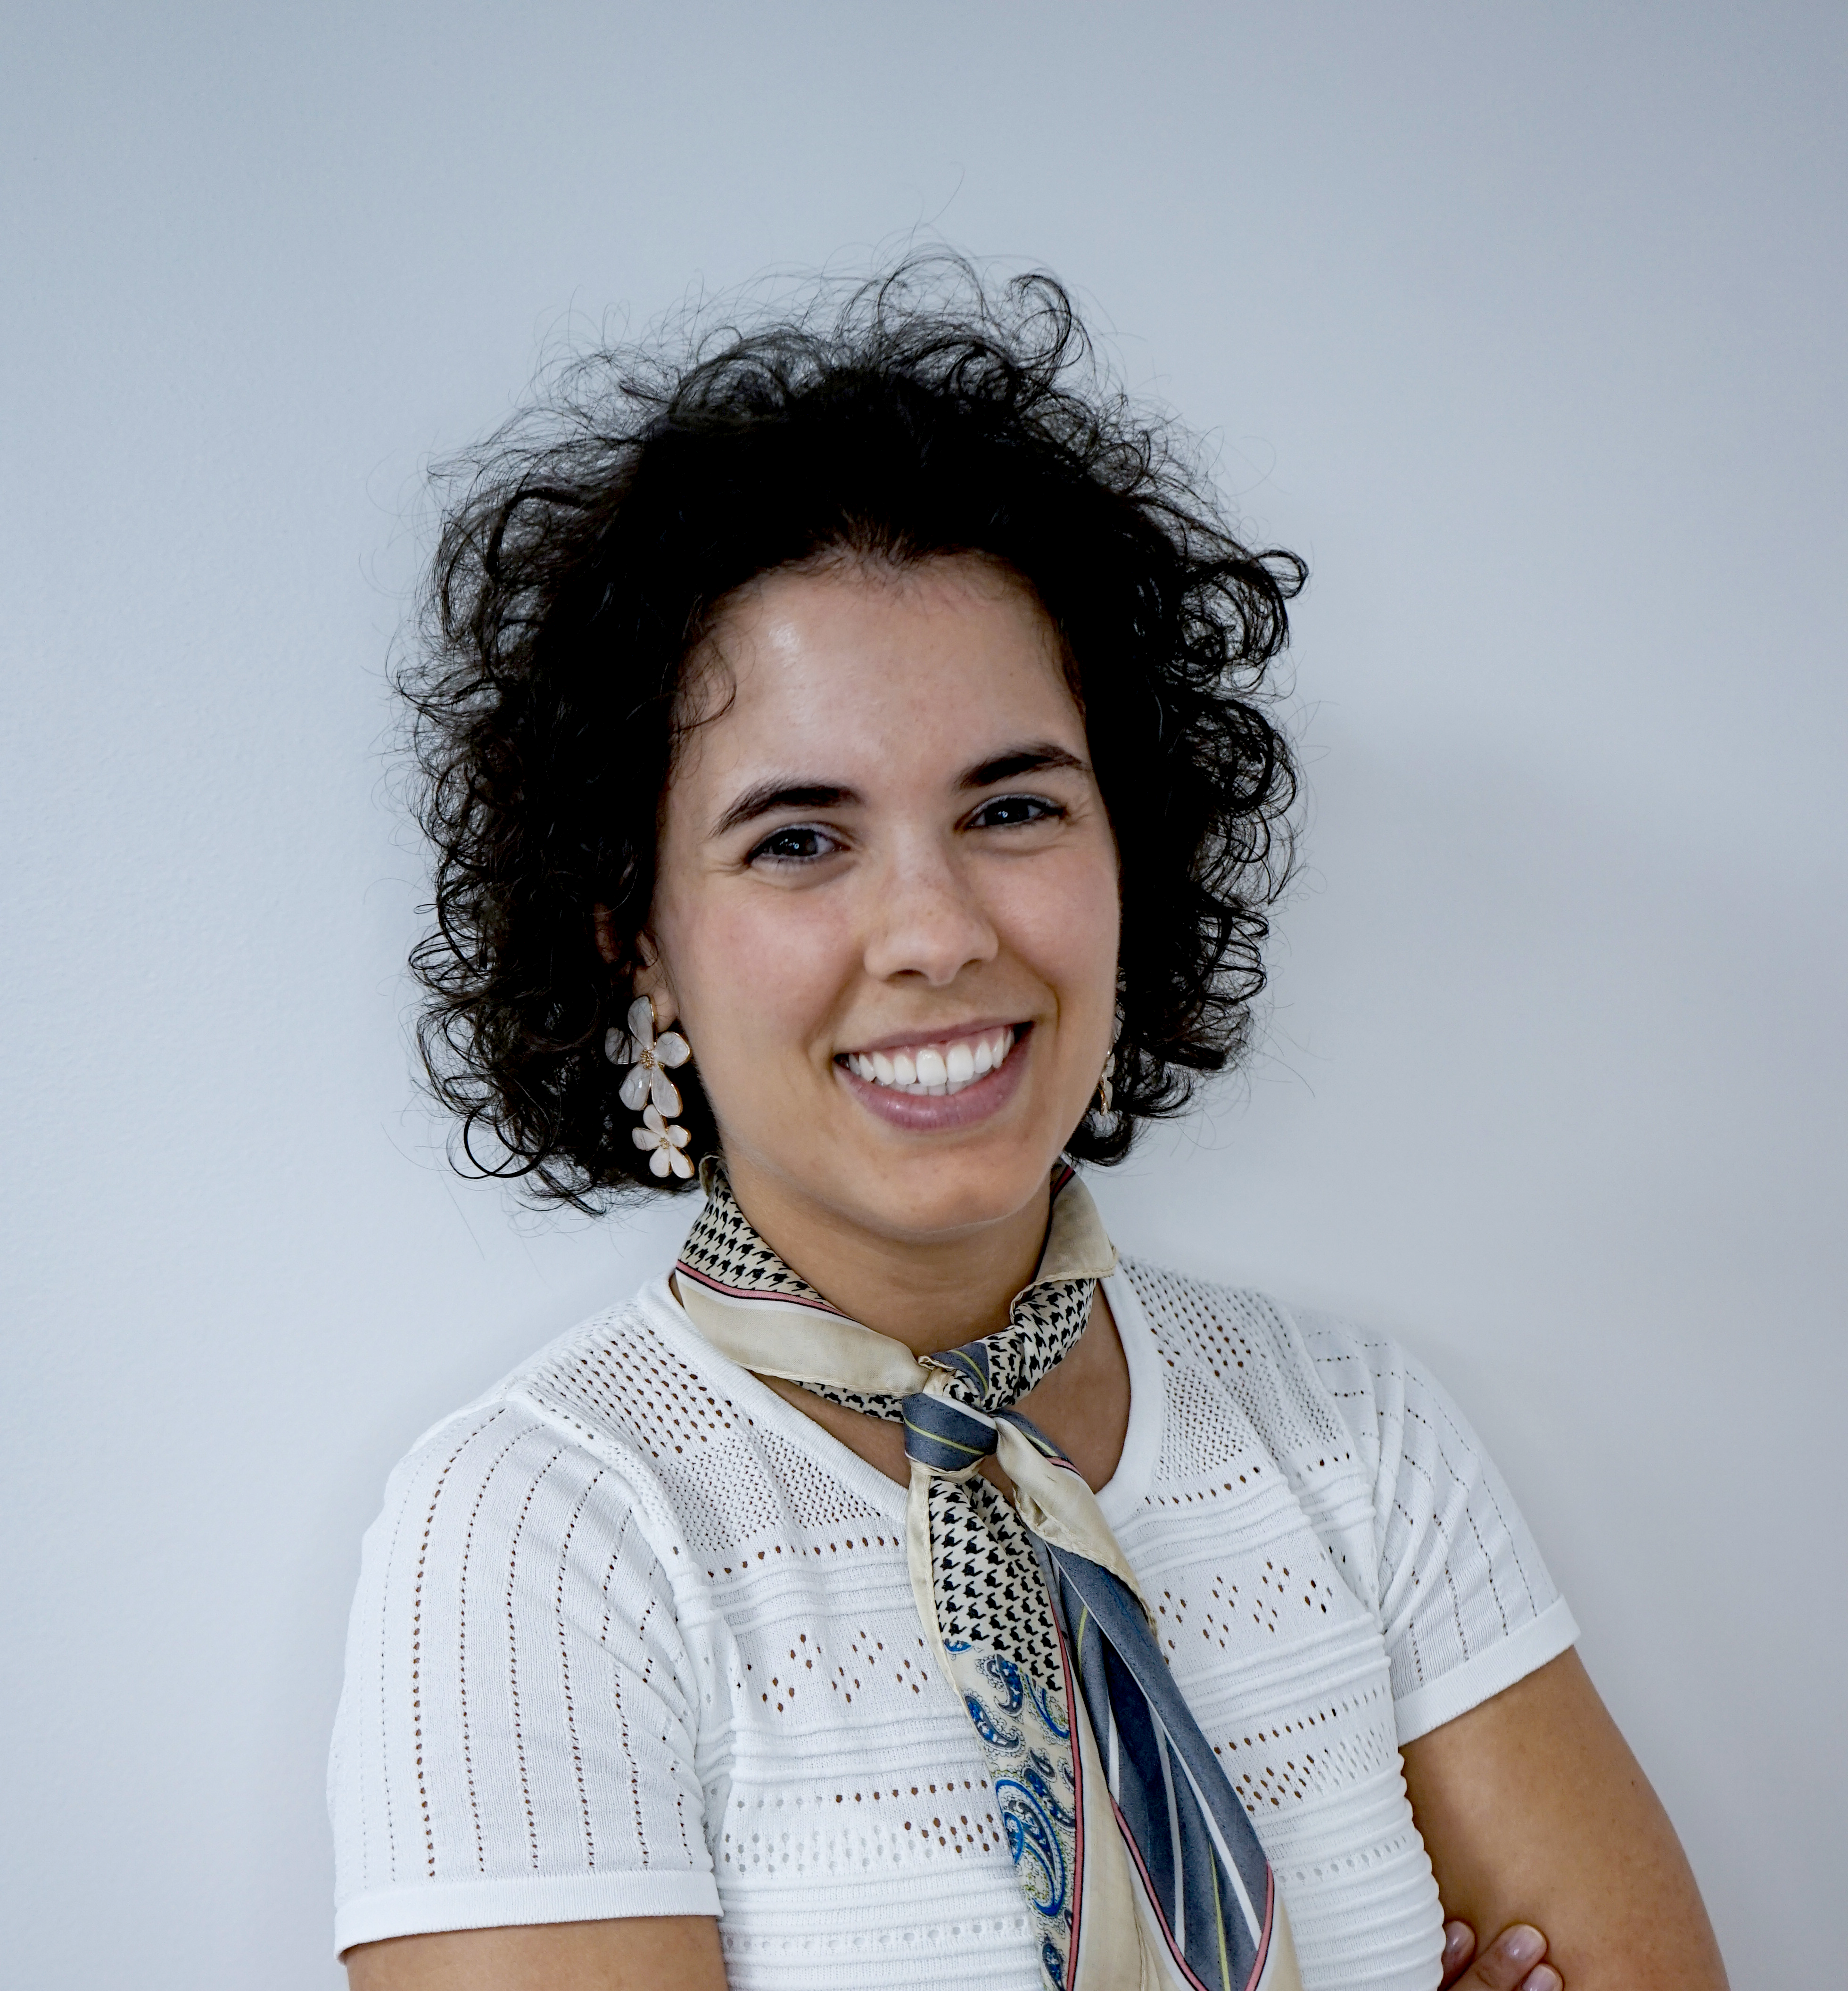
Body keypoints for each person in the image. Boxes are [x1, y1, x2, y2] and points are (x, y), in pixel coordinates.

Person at [329, 262, 1727, 1991]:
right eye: (797, 839)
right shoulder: (544, 1534)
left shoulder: (1355, 1435)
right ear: (636, 933)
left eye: (1011, 806)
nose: (936, 931)